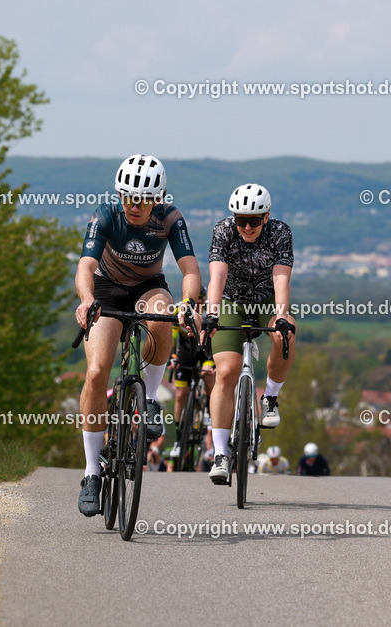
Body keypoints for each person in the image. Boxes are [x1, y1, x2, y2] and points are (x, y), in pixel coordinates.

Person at [75, 154, 202, 516]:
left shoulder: (170, 219)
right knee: (97, 372)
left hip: (149, 287)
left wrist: (189, 303)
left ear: (157, 198)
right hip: (107, 288)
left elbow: (190, 268)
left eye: (144, 199)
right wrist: (86, 301)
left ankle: (147, 400)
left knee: (163, 317)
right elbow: (86, 265)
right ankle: (91, 474)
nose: (135, 205)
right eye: (128, 197)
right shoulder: (106, 214)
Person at [202, 184, 296, 484]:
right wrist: (212, 313)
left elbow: (281, 278)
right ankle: (220, 454)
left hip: (267, 299)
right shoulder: (224, 230)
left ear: (266, 217)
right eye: (241, 219)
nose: (246, 226)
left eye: (253, 220)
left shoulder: (281, 232)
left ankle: (269, 396)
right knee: (226, 372)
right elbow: (218, 275)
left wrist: (281, 315)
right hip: (231, 302)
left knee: (286, 335)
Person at [168, 286, 216, 460]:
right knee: (180, 394)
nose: (199, 305)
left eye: (202, 301)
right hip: (186, 351)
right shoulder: (178, 310)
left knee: (207, 374)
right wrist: (172, 357)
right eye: (197, 301)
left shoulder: (211, 310)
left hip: (205, 351)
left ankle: (209, 412)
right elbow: (172, 337)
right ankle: (179, 439)